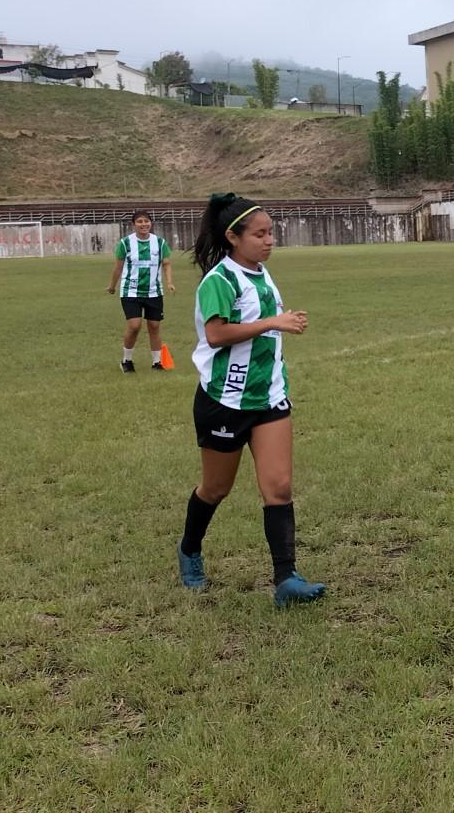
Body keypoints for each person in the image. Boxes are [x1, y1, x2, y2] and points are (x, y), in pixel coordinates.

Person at [177, 193, 326, 608]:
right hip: (224, 401)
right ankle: (190, 549)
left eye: (271, 232)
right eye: (259, 234)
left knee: (278, 487)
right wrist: (274, 322)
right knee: (215, 488)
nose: (269, 240)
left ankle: (286, 579)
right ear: (232, 237)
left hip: (269, 396)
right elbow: (217, 335)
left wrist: (279, 325)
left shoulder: (261, 274)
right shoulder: (218, 282)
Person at [106, 210, 174, 372]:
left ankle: (157, 362)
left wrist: (170, 282)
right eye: (140, 221)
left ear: (151, 223)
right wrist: (112, 286)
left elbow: (166, 264)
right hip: (131, 291)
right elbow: (118, 266)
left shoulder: (160, 242)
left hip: (154, 291)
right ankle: (126, 360)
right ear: (133, 224)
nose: (144, 224)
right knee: (135, 325)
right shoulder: (125, 243)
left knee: (154, 325)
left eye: (146, 221)